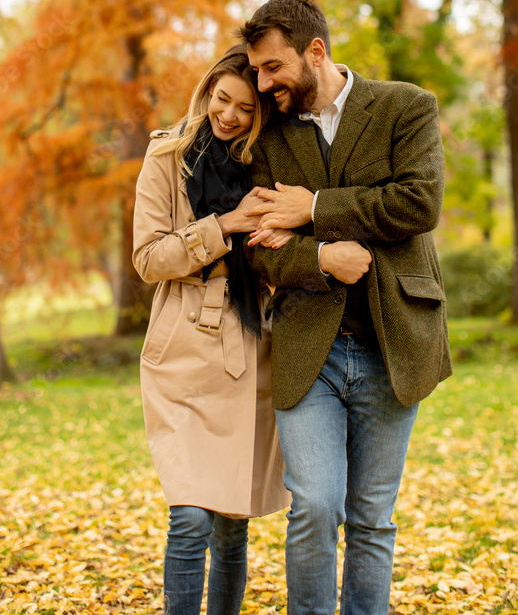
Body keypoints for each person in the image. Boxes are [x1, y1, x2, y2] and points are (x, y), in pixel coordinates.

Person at [238, 0, 451, 615]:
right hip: (311, 349)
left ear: (316, 51)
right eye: (256, 70)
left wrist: (313, 211)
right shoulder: (269, 140)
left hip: (395, 342)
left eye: (273, 67)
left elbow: (417, 205)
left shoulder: (404, 107)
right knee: (315, 506)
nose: (262, 83)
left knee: (372, 519)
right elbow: (261, 251)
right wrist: (321, 257)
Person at [134, 45, 330, 615]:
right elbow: (148, 260)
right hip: (183, 348)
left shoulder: (269, 165)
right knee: (191, 515)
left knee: (231, 524)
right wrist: (225, 225)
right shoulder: (166, 158)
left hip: (250, 344)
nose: (229, 116)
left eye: (246, 107)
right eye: (222, 99)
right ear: (206, 91)